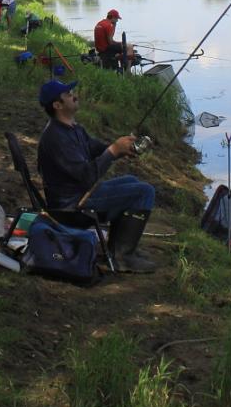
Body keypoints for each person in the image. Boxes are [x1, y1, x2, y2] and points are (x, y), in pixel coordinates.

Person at [36, 79, 156, 273]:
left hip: (81, 193)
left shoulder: (72, 128)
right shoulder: (55, 137)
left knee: (132, 181)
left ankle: (118, 248)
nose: (75, 96)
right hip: (72, 205)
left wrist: (123, 148)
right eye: (68, 95)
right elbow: (87, 176)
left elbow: (95, 148)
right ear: (57, 105)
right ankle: (122, 258)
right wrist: (113, 151)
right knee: (145, 192)